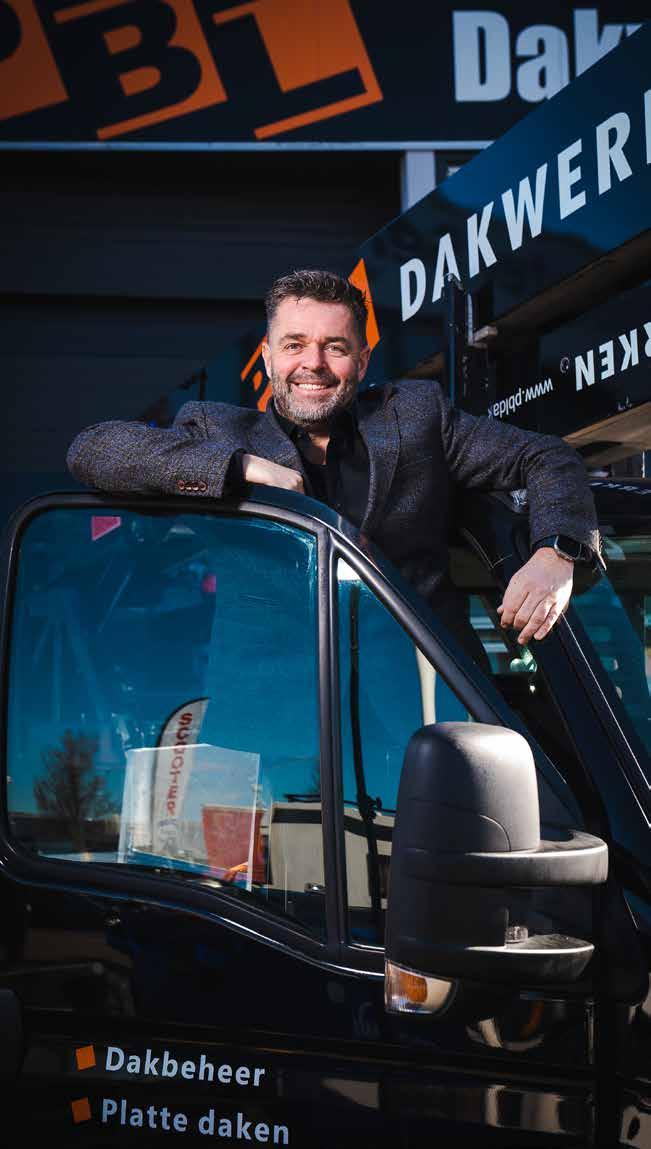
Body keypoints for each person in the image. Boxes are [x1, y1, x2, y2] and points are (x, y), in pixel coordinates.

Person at [67, 268, 600, 653]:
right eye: (294, 345)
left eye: (335, 347)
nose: (313, 364)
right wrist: (241, 468)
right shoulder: (219, 429)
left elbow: (546, 456)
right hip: (271, 716)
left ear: (362, 361)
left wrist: (557, 554)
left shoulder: (417, 415)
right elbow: (92, 450)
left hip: (422, 688)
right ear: (269, 357)